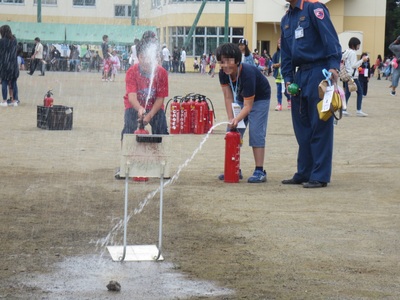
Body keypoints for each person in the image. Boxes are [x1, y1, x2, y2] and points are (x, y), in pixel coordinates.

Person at [280, 0, 342, 188]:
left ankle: (320, 175)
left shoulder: (314, 8)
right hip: (299, 76)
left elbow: (330, 38)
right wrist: (288, 78)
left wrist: (333, 67)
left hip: (319, 71)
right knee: (302, 127)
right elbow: (286, 54)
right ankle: (304, 171)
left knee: (320, 124)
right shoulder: (286, 19)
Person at [216, 43, 271, 183]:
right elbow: (228, 97)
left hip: (259, 98)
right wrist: (231, 118)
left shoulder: (247, 73)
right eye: (222, 61)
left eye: (229, 60)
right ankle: (234, 168)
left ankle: (259, 171)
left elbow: (248, 106)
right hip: (241, 97)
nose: (226, 65)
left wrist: (237, 118)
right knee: (233, 130)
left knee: (256, 131)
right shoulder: (223, 74)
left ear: (237, 60)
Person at [121, 38, 169, 138]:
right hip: (134, 106)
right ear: (138, 57)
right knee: (128, 129)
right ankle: (127, 150)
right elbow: (132, 97)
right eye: (142, 57)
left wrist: (150, 115)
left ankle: (159, 151)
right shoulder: (132, 72)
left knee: (162, 130)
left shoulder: (162, 73)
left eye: (149, 57)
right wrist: (139, 109)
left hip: (154, 106)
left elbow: (160, 98)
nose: (146, 61)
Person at [342, 37, 369, 117]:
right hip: (352, 76)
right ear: (354, 45)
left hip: (347, 75)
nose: (359, 47)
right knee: (360, 92)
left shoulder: (346, 52)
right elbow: (354, 65)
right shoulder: (353, 53)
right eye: (358, 45)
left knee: (348, 93)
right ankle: (358, 110)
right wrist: (362, 60)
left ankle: (344, 109)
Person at [0, 25, 20, 107]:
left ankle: (4, 101)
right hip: (13, 65)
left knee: (4, 82)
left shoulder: (1, 42)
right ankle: (14, 101)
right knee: (14, 82)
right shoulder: (14, 40)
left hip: (4, 65)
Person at [271, 38, 291, 110]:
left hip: (285, 76)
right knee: (279, 91)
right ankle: (279, 104)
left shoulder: (287, 53)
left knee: (286, 91)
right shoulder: (276, 54)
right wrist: (277, 65)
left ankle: (289, 100)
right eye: (279, 43)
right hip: (278, 76)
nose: (280, 45)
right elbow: (272, 64)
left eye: (281, 43)